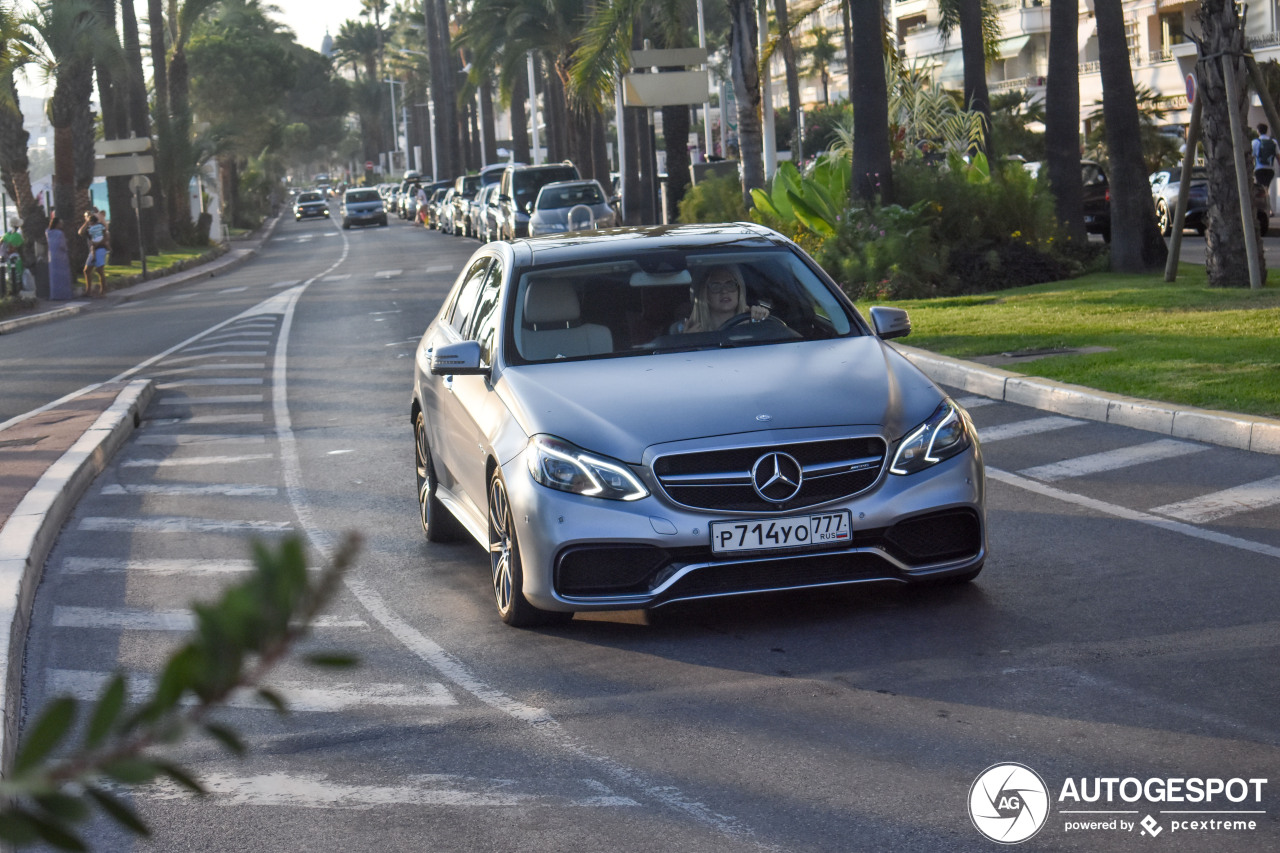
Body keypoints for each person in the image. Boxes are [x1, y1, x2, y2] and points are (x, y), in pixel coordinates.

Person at [672, 264, 770, 333]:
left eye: (730, 284)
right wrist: (688, 342)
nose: (724, 291)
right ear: (704, 293)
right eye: (715, 286)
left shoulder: (753, 322)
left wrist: (760, 319)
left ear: (739, 289)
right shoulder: (686, 329)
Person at [78, 211, 109, 296]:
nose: (87, 217)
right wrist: (86, 222)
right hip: (93, 250)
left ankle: (103, 291)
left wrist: (98, 243)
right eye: (86, 216)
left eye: (88, 216)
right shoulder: (89, 228)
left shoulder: (99, 226)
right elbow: (80, 232)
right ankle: (88, 291)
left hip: (100, 249)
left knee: (100, 270)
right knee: (87, 270)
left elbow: (106, 236)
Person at [47, 216, 72, 301]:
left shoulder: (48, 232)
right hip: (61, 256)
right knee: (63, 276)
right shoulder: (60, 233)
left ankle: (54, 294)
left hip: (52, 256)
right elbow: (62, 245)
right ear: (57, 224)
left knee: (54, 277)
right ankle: (64, 294)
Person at [1, 218, 23, 297]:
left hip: (7, 258)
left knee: (10, 275)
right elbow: (19, 246)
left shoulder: (6, 235)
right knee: (18, 275)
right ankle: (16, 291)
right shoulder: (17, 236)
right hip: (15, 258)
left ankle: (10, 291)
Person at [1253, 123, 1277, 190]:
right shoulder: (1273, 141)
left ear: (1258, 131)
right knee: (1267, 188)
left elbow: (1252, 156)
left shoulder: (1255, 142)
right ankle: (1266, 195)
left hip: (1259, 169)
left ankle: (1265, 196)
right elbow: (1278, 156)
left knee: (1260, 188)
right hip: (1270, 169)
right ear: (1266, 131)